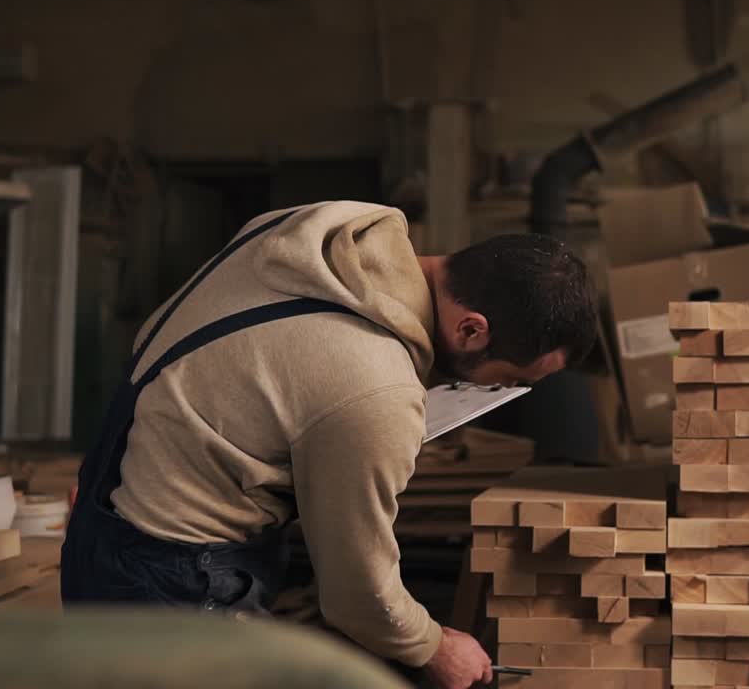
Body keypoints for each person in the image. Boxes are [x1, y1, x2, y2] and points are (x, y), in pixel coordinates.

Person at [61, 200, 597, 689]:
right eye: (502, 381)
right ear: (472, 330)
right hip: (172, 577)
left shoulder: (323, 231)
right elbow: (356, 596)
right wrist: (436, 646)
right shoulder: (376, 387)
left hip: (108, 505)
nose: (488, 392)